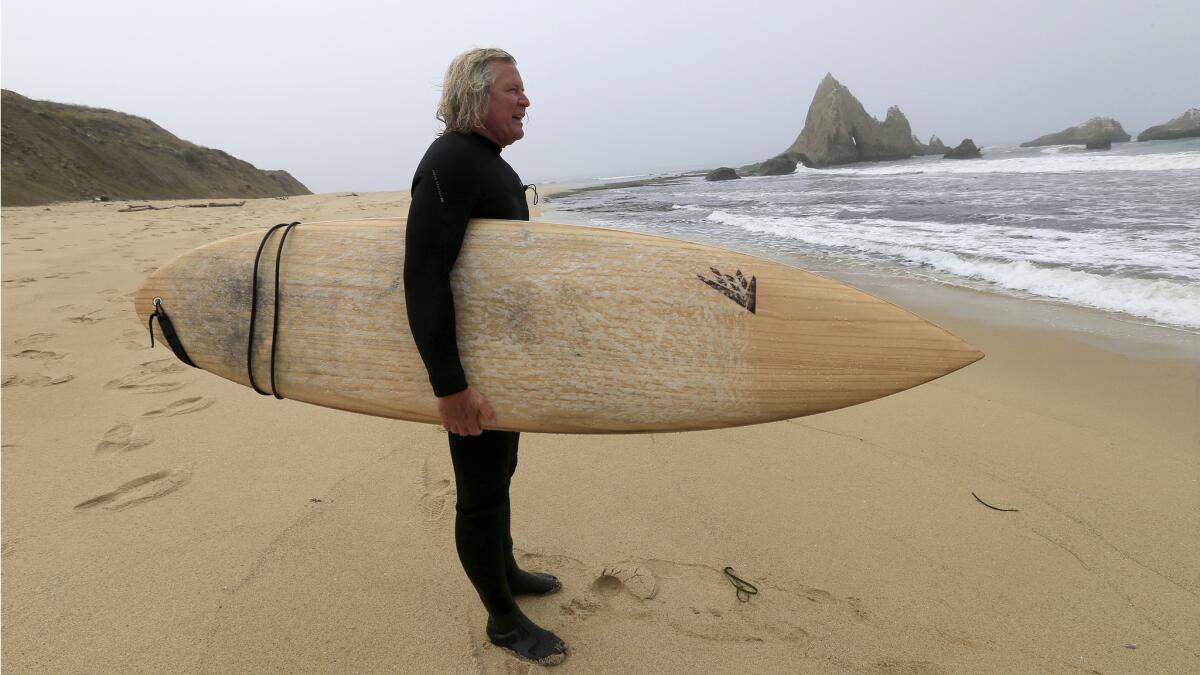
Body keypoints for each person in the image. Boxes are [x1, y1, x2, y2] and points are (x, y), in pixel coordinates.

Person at [403, 48, 568, 666]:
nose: (525, 99)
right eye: (512, 89)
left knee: (500, 477)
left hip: (500, 366)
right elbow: (424, 277)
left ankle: (508, 571)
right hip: (469, 370)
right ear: (476, 97)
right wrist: (449, 386)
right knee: (477, 492)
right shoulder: (450, 161)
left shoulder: (486, 164)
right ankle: (502, 620)